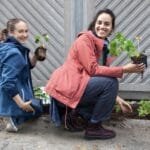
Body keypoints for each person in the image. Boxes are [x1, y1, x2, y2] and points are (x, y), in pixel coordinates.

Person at [45, 9, 145, 140]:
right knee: (111, 82)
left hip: (74, 87)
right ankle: (94, 127)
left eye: (107, 24)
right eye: (100, 22)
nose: (102, 26)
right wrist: (124, 69)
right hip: (65, 90)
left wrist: (118, 99)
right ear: (94, 24)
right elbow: (93, 70)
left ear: (112, 28)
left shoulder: (101, 45)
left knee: (109, 82)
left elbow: (97, 79)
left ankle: (79, 116)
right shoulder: (85, 40)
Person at [0, 18, 46, 132]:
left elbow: (26, 67)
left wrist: (35, 56)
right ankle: (10, 115)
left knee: (37, 110)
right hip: (15, 95)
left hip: (18, 91)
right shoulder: (14, 53)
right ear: (11, 33)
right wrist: (22, 104)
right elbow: (7, 83)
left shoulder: (12, 47)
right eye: (20, 31)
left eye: (26, 31)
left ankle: (10, 114)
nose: (25, 34)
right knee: (37, 109)